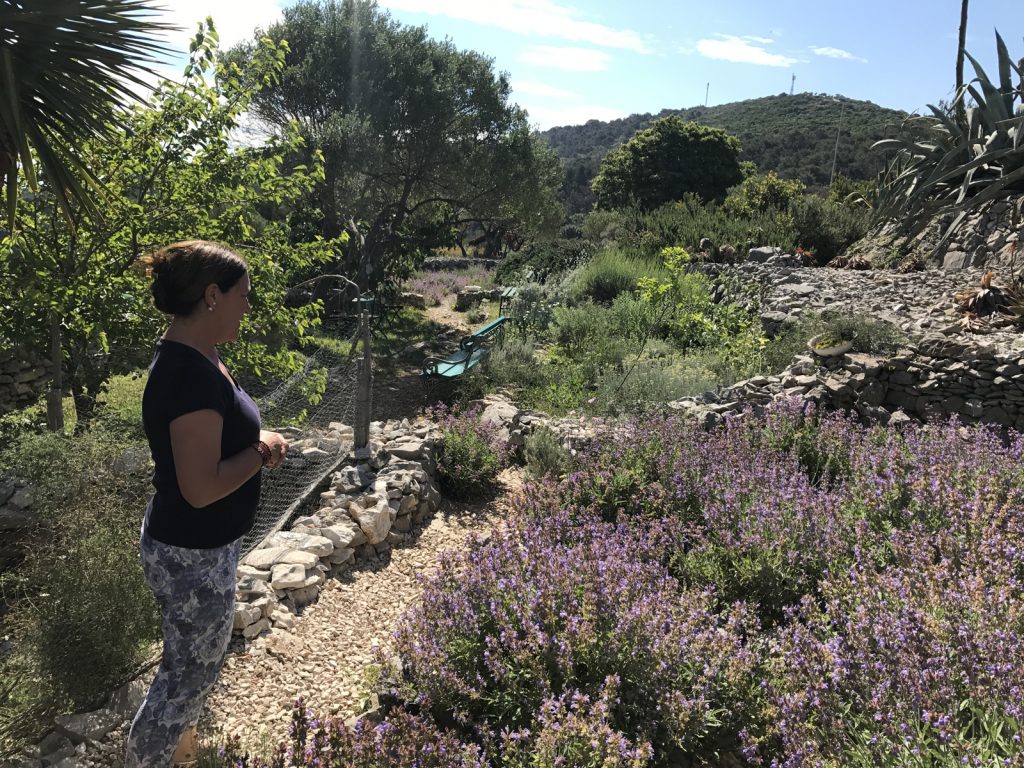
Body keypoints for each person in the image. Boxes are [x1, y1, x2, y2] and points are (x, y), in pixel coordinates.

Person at [125, 240, 289, 767]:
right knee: (183, 681)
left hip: (198, 549)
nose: (249, 306)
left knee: (190, 669)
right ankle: (147, 759)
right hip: (191, 555)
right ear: (213, 296)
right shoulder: (189, 375)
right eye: (244, 295)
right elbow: (200, 488)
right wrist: (263, 450)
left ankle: (178, 756)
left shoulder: (200, 357)